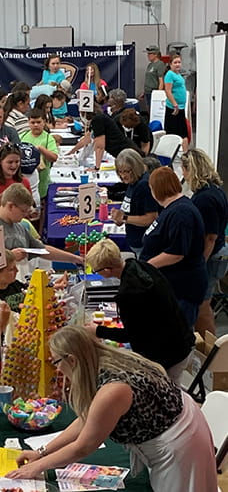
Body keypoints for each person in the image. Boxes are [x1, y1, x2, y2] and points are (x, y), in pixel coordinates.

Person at [6, 326, 217, 492]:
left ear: (72, 360)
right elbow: (88, 418)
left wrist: (37, 467)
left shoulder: (112, 389)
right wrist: (41, 453)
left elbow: (84, 446)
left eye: (56, 362)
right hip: (179, 420)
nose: (57, 369)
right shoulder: (105, 360)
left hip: (181, 442)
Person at [86, 239, 195, 384]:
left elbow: (131, 335)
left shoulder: (129, 293)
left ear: (106, 270)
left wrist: (98, 330)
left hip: (167, 355)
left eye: (96, 270)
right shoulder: (141, 266)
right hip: (181, 340)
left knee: (168, 394)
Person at [0, 183, 82, 285]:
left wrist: (75, 259)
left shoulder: (19, 226)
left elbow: (42, 250)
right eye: (23, 211)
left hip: (16, 287)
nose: (25, 215)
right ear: (10, 206)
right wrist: (10, 257)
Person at [140, 166, 207, 327]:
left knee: (178, 334)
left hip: (182, 288)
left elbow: (176, 253)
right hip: (171, 286)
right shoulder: (171, 208)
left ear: (158, 189)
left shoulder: (181, 213)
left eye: (151, 188)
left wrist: (146, 266)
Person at [182, 148, 228, 336]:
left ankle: (209, 350)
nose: (183, 175)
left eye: (184, 170)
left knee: (202, 305)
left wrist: (198, 263)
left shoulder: (205, 199)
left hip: (211, 255)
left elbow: (210, 237)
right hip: (218, 252)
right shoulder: (213, 190)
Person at [0, 249, 25, 397]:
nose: (16, 271)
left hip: (20, 351)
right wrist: (2, 320)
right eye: (11, 269)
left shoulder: (16, 286)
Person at [110, 149, 158, 257]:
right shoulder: (132, 182)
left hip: (144, 244)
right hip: (135, 241)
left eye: (126, 171)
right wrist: (119, 217)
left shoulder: (143, 186)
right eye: (120, 172)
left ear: (135, 168)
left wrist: (124, 218)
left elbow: (151, 217)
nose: (123, 176)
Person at [19, 108, 58, 232]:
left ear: (44, 122)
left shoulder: (48, 139)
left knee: (38, 214)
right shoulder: (22, 136)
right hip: (23, 182)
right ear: (28, 123)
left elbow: (54, 157)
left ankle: (39, 234)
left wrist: (41, 149)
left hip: (41, 183)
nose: (35, 125)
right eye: (32, 122)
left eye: (38, 122)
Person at [85, 105, 141, 170]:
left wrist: (96, 168)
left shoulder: (98, 120)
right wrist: (72, 152)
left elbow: (100, 147)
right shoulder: (101, 119)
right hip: (125, 151)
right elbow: (86, 139)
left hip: (128, 154)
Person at [0, 143, 32, 212]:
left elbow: (29, 207)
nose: (14, 165)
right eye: (10, 162)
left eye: (17, 161)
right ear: (0, 161)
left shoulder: (24, 181)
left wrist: (31, 211)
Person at [164, 53, 188, 151]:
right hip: (173, 107)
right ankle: (172, 152)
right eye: (175, 62)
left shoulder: (178, 74)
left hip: (181, 107)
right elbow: (168, 90)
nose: (178, 64)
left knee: (183, 132)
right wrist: (174, 103)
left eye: (179, 62)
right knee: (173, 132)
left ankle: (185, 153)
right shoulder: (169, 74)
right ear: (170, 64)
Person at [142, 45, 166, 111]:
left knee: (153, 110)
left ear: (155, 54)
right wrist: (144, 92)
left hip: (154, 92)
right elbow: (148, 79)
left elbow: (161, 81)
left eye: (150, 54)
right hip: (147, 91)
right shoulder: (150, 65)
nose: (148, 55)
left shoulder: (160, 64)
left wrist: (158, 94)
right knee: (148, 109)